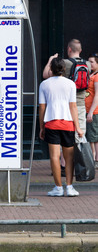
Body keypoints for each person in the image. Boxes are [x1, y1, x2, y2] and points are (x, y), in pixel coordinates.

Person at [39, 57, 84, 197]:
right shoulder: (70, 84)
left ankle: (58, 188)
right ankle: (69, 187)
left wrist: (42, 127)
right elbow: (73, 106)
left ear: (51, 69)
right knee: (69, 157)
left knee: (54, 156)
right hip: (67, 123)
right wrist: (78, 127)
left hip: (51, 122)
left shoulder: (44, 84)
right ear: (64, 69)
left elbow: (42, 107)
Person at [85, 53, 98, 168]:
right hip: (88, 110)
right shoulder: (90, 74)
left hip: (93, 111)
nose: (89, 63)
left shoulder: (97, 76)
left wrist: (91, 112)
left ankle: (94, 160)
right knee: (92, 137)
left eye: (92, 62)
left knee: (93, 137)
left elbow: (97, 95)